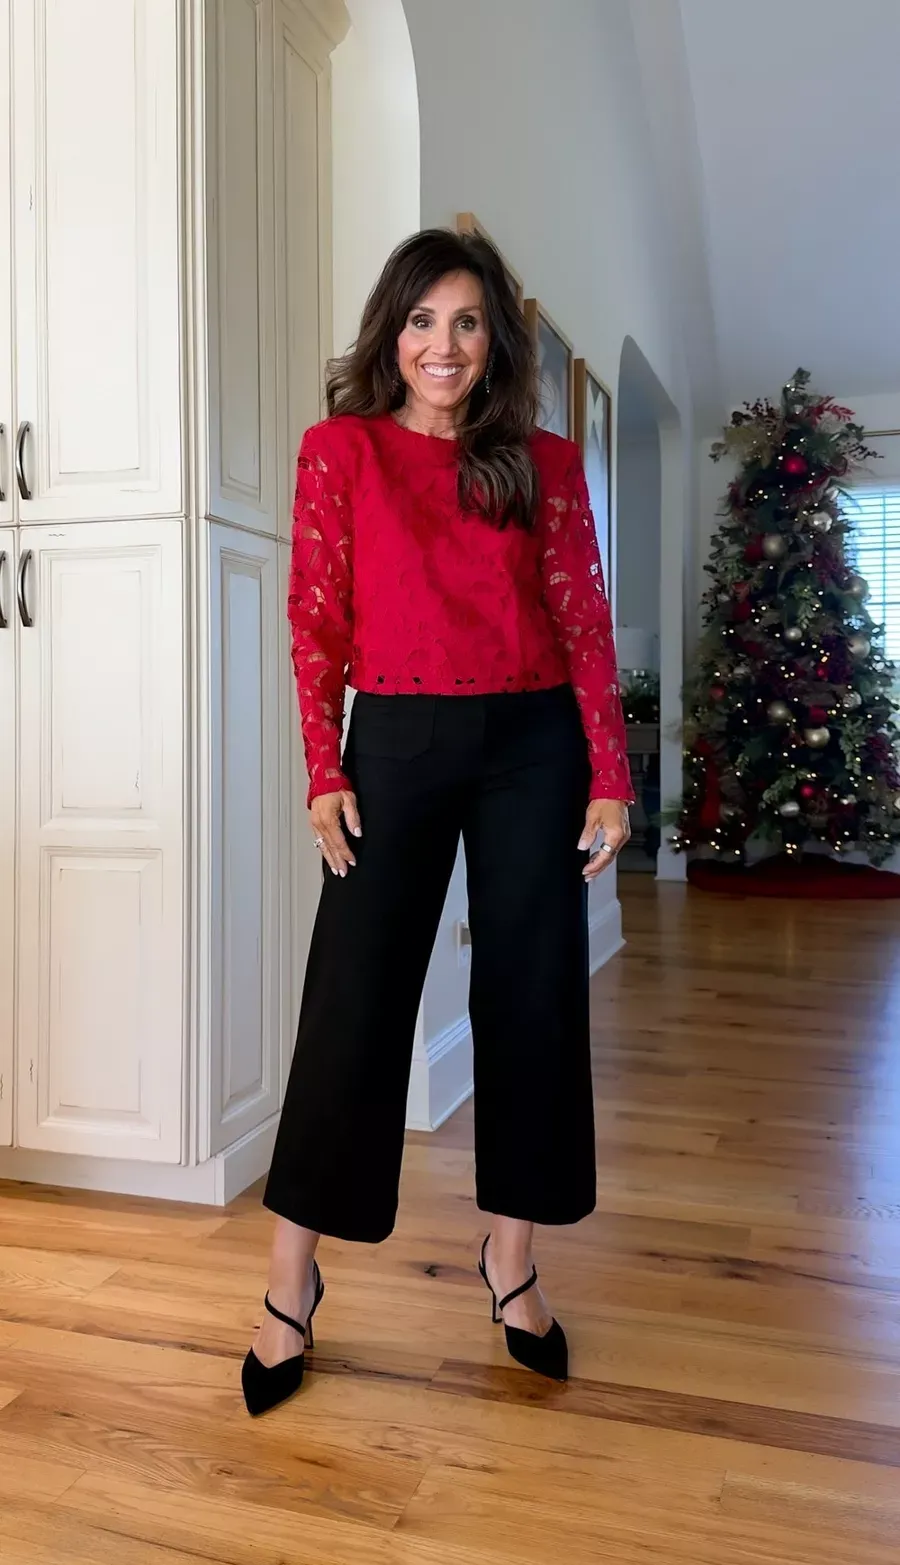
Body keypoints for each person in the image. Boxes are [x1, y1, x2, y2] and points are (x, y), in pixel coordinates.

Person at [242, 228, 633, 1417]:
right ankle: (289, 1279)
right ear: (391, 332)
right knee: (351, 1000)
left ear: (492, 340)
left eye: (466, 323)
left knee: (531, 995)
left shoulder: (547, 465)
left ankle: (510, 1262)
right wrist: (323, 766)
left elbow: (584, 619)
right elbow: (315, 624)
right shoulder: (340, 451)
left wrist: (609, 771)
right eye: (422, 321)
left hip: (533, 749)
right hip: (396, 746)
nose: (443, 346)